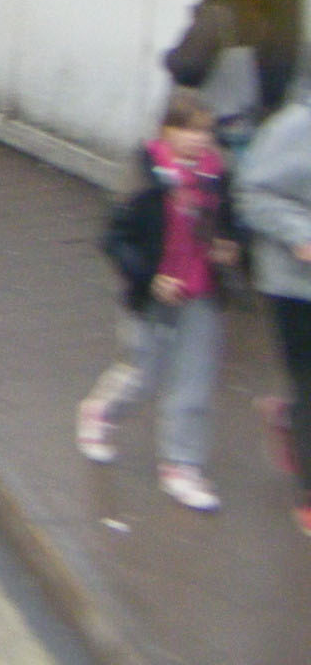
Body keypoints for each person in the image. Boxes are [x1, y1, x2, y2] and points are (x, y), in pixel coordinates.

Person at [77, 87, 242, 511]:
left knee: (195, 379)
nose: (198, 140)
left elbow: (232, 224)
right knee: (143, 373)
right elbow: (114, 239)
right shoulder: (146, 176)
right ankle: (100, 412)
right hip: (152, 294)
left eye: (204, 132)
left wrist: (229, 245)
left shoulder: (216, 176)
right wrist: (151, 278)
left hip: (202, 290)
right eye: (187, 130)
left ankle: (182, 466)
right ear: (166, 131)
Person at [237, 97, 311, 537]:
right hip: (295, 285)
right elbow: (252, 192)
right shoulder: (297, 127)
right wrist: (301, 234)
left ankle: (286, 417)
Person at [164, 0, 260, 153]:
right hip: (239, 118)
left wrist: (170, 58)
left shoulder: (214, 16)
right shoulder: (248, 13)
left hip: (206, 123)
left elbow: (189, 68)